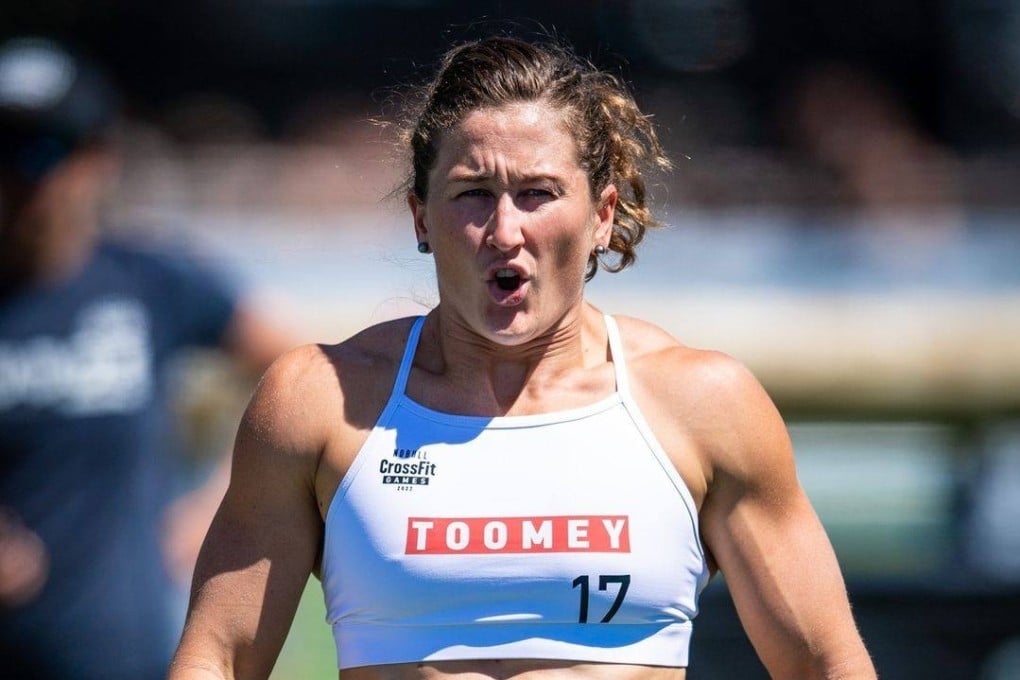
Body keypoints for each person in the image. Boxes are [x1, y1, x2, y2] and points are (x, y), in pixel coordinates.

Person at [169, 35, 876, 679]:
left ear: (602, 216)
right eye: (473, 194)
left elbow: (824, 663)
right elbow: (219, 659)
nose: (505, 230)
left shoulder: (703, 404)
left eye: (538, 193)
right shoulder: (316, 400)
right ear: (421, 216)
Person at [0, 36, 294, 680]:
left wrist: (223, 506)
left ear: (97, 159)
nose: (20, 177)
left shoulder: (149, 283)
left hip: (119, 654)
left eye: (44, 151)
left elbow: (297, 375)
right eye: (4, 151)